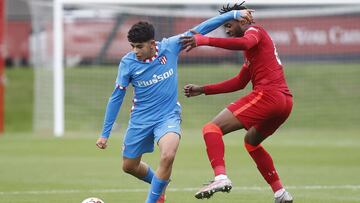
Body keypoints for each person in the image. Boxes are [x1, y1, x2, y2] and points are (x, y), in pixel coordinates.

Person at [95, 10, 253, 203]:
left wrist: (233, 14)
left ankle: (154, 199)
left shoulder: (170, 46)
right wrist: (105, 133)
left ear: (153, 44)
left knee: (168, 155)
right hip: (140, 119)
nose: (135, 51)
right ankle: (159, 183)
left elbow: (202, 28)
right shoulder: (127, 63)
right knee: (129, 166)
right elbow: (116, 97)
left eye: (139, 46)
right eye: (132, 46)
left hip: (168, 116)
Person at [180, 2, 294, 203]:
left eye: (228, 24)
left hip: (269, 95)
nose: (226, 30)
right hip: (284, 102)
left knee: (211, 129)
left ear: (241, 19)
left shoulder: (254, 31)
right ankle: (280, 193)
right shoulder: (253, 48)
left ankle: (220, 177)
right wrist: (203, 89)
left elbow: (246, 43)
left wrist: (204, 40)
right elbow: (240, 82)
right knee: (251, 142)